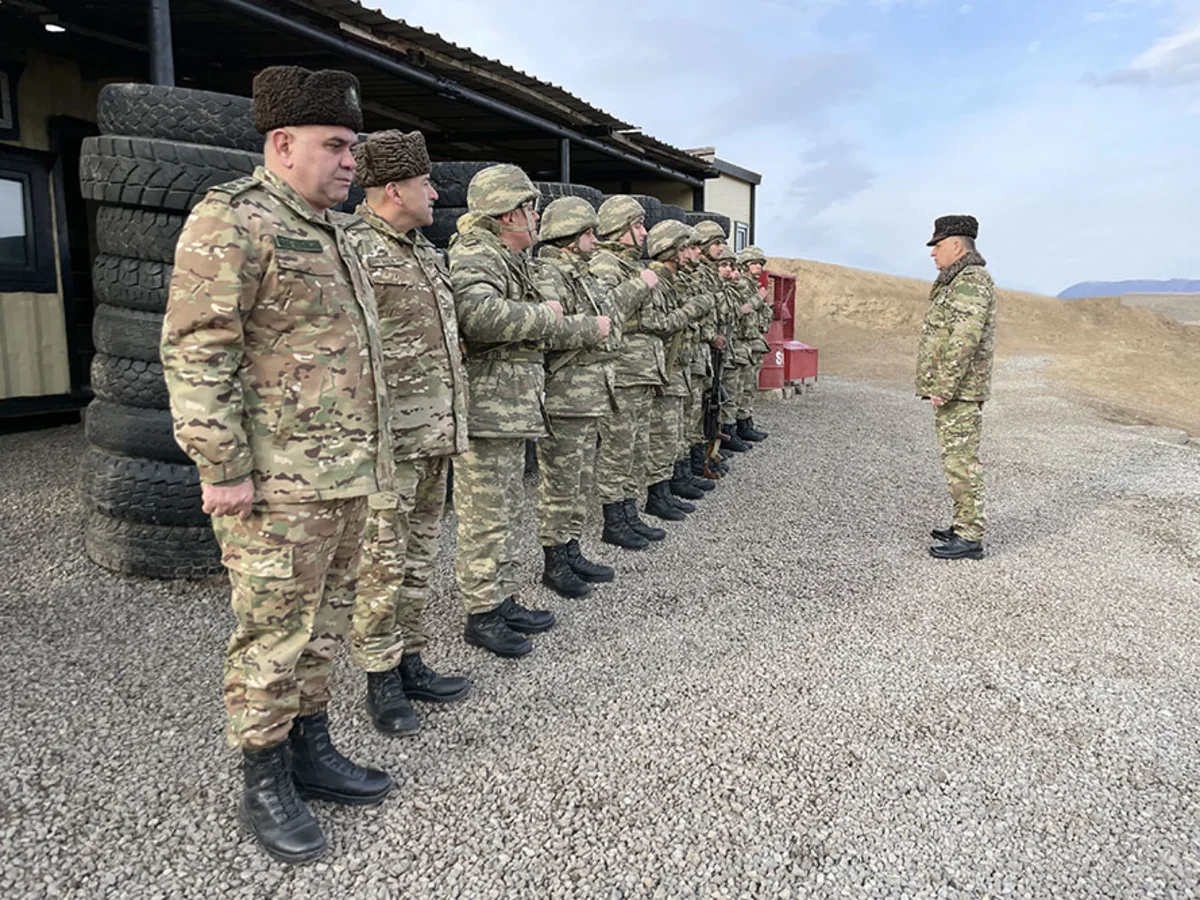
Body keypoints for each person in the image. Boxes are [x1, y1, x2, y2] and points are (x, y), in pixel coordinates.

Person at [161, 66, 393, 864]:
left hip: (344, 474)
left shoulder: (336, 233)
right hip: (277, 484)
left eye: (353, 146)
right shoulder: (234, 219)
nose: (351, 161)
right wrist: (221, 466)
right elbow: (198, 352)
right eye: (335, 145)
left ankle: (311, 749)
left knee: (325, 627)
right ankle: (263, 778)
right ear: (283, 143)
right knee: (273, 635)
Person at [341, 129, 471, 736]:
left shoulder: (425, 252)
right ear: (394, 190)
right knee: (381, 564)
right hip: (388, 445)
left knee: (419, 556)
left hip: (435, 434)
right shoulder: (353, 250)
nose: (435, 193)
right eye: (425, 183)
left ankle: (410, 659)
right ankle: (380, 677)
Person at [448, 164, 607, 657]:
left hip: (510, 407)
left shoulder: (507, 258)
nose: (536, 217)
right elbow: (476, 314)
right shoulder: (476, 253)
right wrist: (545, 316)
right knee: (485, 516)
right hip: (487, 409)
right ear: (507, 213)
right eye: (529, 207)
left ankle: (500, 599)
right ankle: (482, 612)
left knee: (505, 510)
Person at [532, 197, 619, 597]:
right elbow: (548, 330)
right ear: (569, 236)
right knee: (560, 483)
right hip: (565, 396)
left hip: (588, 395)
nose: (595, 241)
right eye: (588, 233)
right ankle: (554, 561)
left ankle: (571, 549)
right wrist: (591, 328)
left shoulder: (581, 275)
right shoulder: (548, 274)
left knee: (581, 480)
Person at [589, 196, 671, 549]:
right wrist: (643, 284)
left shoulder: (630, 265)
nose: (645, 232)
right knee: (617, 450)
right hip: (622, 373)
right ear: (619, 228)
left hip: (640, 373)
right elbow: (606, 308)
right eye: (637, 225)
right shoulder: (606, 264)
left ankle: (628, 512)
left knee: (636, 448)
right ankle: (613, 521)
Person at [916, 215, 997, 560]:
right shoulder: (957, 281)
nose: (932, 253)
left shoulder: (970, 282)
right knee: (955, 460)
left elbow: (964, 339)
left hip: (960, 390)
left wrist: (945, 386)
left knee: (962, 462)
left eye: (937, 245)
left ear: (955, 245)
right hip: (958, 389)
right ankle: (963, 523)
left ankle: (969, 536)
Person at [642, 220, 710, 521]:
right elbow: (661, 324)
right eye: (685, 248)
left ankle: (669, 487)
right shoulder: (656, 282)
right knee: (663, 435)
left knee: (675, 433)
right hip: (664, 369)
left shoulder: (672, 282)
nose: (690, 254)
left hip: (678, 366)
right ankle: (657, 495)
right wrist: (693, 309)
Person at [736, 245, 773, 440]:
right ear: (745, 265)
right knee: (744, 386)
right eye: (755, 263)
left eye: (761, 264)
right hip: (745, 342)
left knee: (751, 385)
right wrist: (760, 298)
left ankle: (746, 421)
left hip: (754, 340)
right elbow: (744, 309)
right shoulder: (742, 285)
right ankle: (741, 425)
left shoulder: (754, 285)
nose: (759, 267)